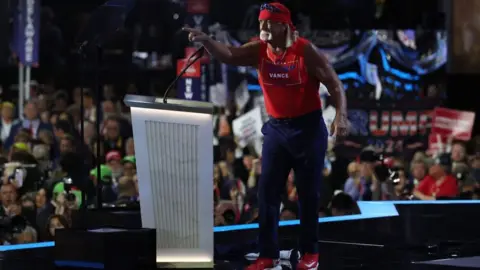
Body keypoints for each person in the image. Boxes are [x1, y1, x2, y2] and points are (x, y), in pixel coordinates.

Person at [184, 3, 348, 269]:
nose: (262, 28)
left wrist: (341, 116)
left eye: (268, 23)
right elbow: (228, 54)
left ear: (284, 25)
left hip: (307, 129)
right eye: (260, 23)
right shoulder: (258, 50)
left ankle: (310, 254)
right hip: (276, 130)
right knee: (267, 194)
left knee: (308, 195)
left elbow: (334, 83)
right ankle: (268, 255)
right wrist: (207, 41)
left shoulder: (305, 50)